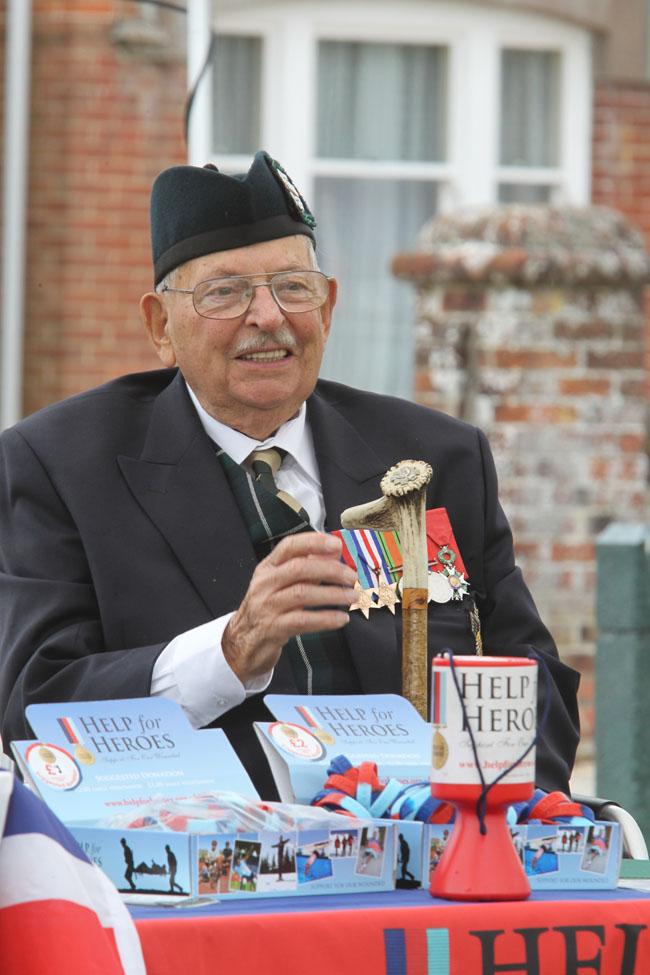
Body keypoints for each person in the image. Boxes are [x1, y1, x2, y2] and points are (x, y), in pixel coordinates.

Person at [0, 151, 580, 800]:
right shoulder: (62, 465)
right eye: (226, 292)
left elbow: (539, 690)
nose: (270, 317)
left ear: (327, 308)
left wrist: (455, 804)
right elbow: (35, 711)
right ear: (161, 327)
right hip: (210, 880)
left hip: (426, 858)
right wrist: (231, 648)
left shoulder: (434, 459)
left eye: (293, 287)